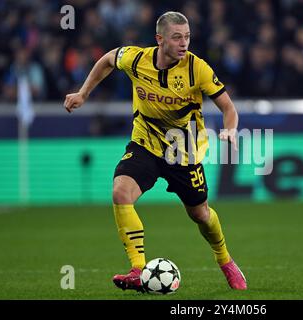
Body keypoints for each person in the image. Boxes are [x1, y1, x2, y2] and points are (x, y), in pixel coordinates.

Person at [64, 11, 247, 291]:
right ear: (159, 39)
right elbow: (107, 60)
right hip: (145, 144)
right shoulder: (137, 59)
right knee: (120, 192)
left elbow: (228, 108)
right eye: (177, 37)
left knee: (200, 215)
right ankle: (138, 268)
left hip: (182, 152)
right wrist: (83, 93)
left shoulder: (197, 68)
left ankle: (225, 260)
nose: (184, 43)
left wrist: (230, 129)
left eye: (187, 37)